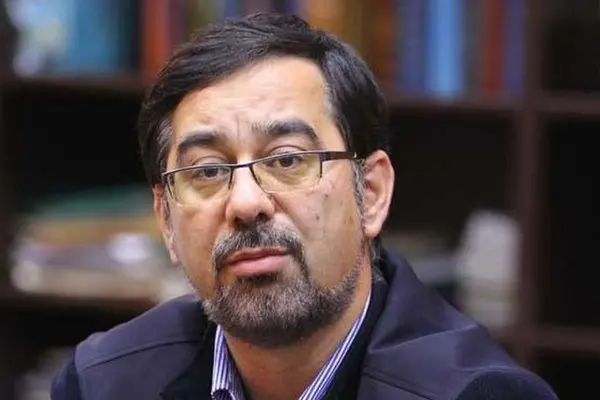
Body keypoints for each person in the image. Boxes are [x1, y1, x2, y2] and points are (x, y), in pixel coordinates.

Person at [51, 12, 557, 400]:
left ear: (371, 193)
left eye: (287, 159)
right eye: (207, 171)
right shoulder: (103, 383)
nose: (246, 202)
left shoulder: (474, 394)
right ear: (165, 219)